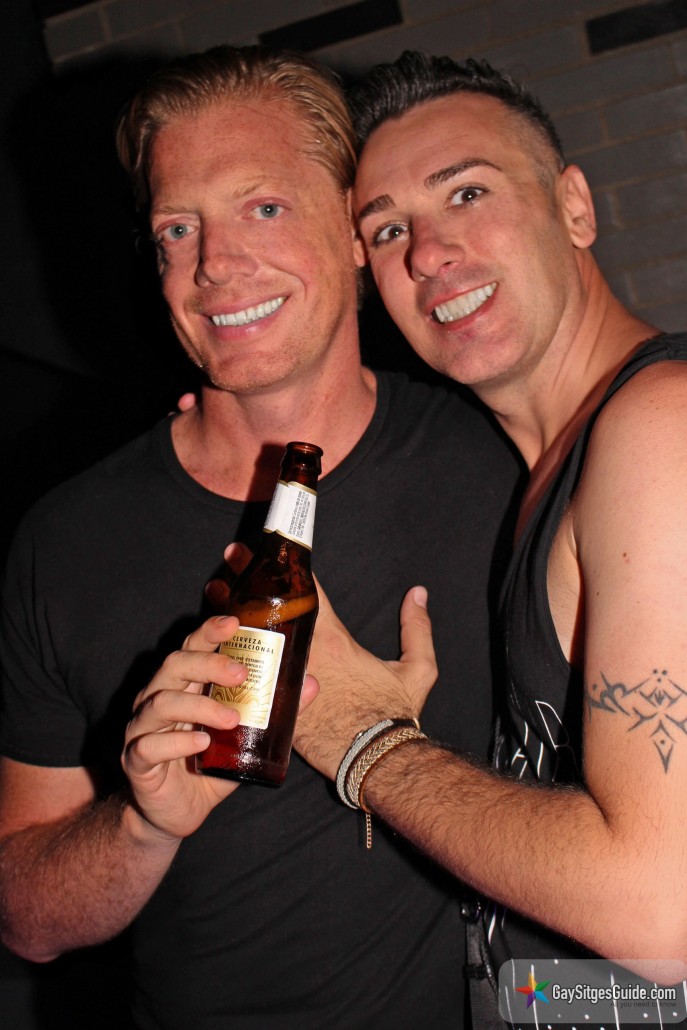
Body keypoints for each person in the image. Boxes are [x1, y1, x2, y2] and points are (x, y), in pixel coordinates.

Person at [0, 47, 520, 1028]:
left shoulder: (502, 460)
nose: (214, 265)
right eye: (178, 227)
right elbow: (27, 920)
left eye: (265, 207)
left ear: (356, 231)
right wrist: (143, 825)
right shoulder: (64, 542)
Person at [289, 51, 687, 1027]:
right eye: (387, 229)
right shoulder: (543, 473)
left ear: (575, 208)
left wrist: (363, 742)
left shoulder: (659, 429)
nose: (428, 252)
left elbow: (660, 910)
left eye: (466, 192)